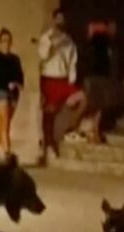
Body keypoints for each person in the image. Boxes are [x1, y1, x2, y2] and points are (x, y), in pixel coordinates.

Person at [38, 8, 78, 165]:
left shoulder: (69, 40)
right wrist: (51, 44)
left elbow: (72, 61)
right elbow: (42, 57)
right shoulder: (46, 37)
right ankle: (48, 145)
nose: (60, 22)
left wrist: (71, 80)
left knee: (80, 99)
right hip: (49, 78)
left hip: (63, 79)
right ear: (54, 20)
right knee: (49, 112)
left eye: (63, 19)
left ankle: (64, 133)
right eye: (58, 19)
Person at [0, 28, 24, 162]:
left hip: (14, 94)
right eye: (3, 40)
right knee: (5, 123)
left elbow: (20, 76)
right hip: (0, 91)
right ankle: (8, 153)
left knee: (3, 123)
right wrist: (6, 82)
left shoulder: (15, 59)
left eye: (8, 40)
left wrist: (17, 84)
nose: (6, 43)